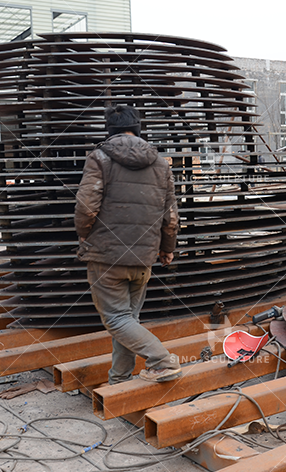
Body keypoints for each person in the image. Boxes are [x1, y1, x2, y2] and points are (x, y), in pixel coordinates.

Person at [75, 105, 182, 384]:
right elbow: (170, 214)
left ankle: (162, 361)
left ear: (108, 129)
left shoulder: (99, 158)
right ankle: (119, 380)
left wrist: (84, 235)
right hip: (143, 259)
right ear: (137, 128)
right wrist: (167, 249)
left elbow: (87, 206)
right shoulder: (160, 163)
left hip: (107, 256)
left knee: (117, 320)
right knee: (128, 321)